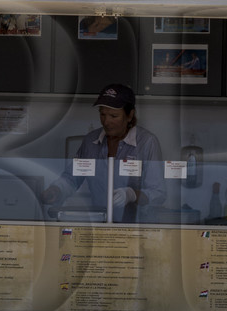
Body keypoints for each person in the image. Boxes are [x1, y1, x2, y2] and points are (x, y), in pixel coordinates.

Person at [43, 83, 164, 222]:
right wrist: (56, 190)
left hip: (136, 228)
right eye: (102, 114)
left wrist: (132, 194)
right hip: (100, 225)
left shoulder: (147, 142)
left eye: (114, 116)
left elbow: (158, 193)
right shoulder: (91, 142)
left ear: (130, 115)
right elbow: (72, 178)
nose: (106, 122)